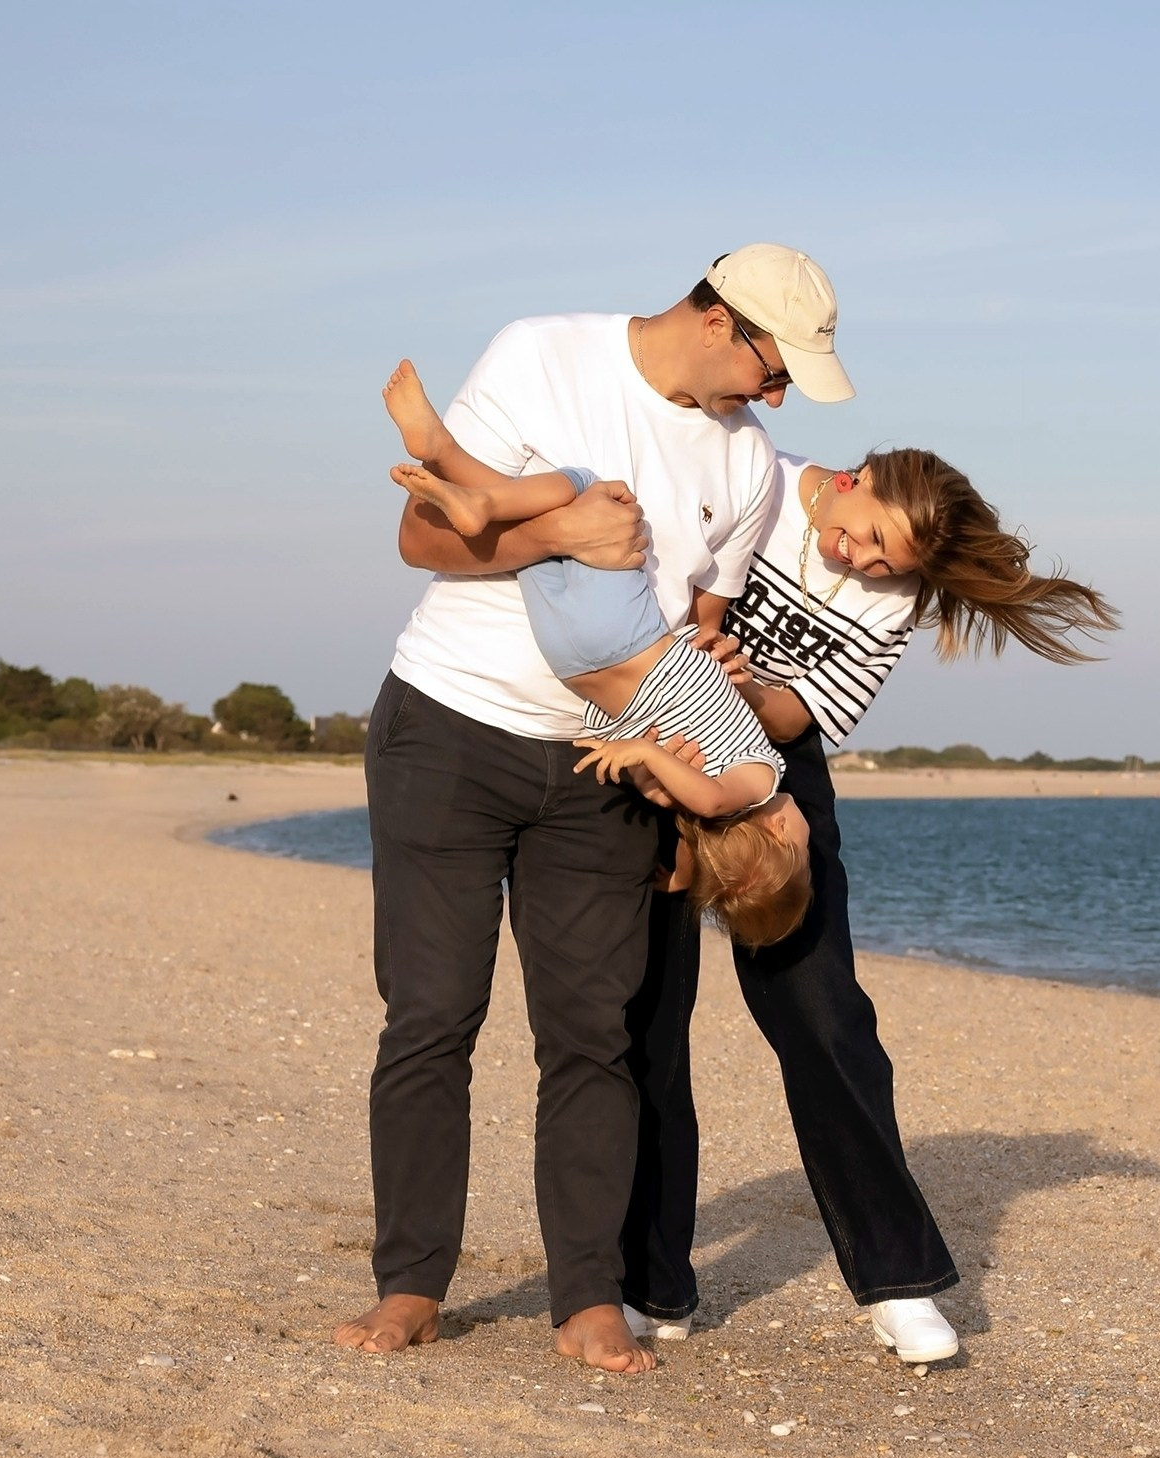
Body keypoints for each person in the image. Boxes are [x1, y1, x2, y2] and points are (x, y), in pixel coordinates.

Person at [335, 245, 854, 1374]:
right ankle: (412, 1284)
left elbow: (697, 629)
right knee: (431, 1015)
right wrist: (560, 536)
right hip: (450, 728)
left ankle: (587, 1295)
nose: (776, 399)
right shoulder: (543, 353)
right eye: (774, 369)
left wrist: (703, 736)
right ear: (717, 321)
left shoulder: (748, 465)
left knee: (593, 1037)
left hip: (606, 777)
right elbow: (422, 538)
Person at [620, 446, 1118, 1362]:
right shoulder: (751, 477)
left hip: (773, 770)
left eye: (887, 562)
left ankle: (898, 1281)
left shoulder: (895, 597)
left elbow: (798, 716)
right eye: (869, 537)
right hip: (656, 738)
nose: (864, 561)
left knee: (826, 1018)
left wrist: (742, 683)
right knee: (647, 1011)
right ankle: (648, 1281)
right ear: (855, 478)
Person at [379, 360, 811, 947]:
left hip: (628, 637)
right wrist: (683, 876)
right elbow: (691, 846)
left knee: (589, 491)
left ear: (783, 835)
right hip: (571, 659)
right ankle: (457, 472)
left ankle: (451, 461)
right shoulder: (695, 822)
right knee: (543, 531)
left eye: (807, 849)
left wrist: (645, 752)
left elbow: (711, 797)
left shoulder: (757, 783)